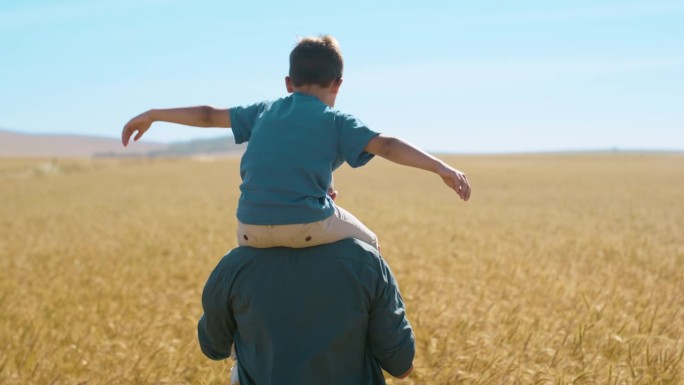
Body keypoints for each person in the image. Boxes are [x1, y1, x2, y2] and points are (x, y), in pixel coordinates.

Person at [121, 35, 471, 251]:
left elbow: (208, 114)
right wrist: (440, 167)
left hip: (248, 229)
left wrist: (153, 113)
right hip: (306, 224)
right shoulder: (337, 120)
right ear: (338, 84)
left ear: (288, 82)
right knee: (371, 245)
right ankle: (383, 339)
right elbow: (389, 146)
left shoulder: (264, 110)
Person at [197, 239, 415, 385]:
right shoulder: (366, 261)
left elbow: (213, 348)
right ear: (331, 196)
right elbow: (401, 366)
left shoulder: (234, 265)